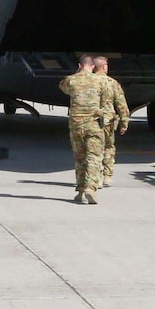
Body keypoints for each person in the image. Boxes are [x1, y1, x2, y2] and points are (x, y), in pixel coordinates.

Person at [59, 54, 108, 204]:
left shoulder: (71, 80)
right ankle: (90, 188)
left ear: (79, 65)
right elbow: (105, 102)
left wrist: (77, 75)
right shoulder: (99, 81)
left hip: (76, 124)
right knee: (94, 156)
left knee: (80, 158)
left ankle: (80, 190)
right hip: (93, 124)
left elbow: (63, 87)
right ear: (93, 67)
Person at [92, 56, 129, 187]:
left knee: (93, 149)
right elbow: (121, 104)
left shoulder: (89, 81)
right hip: (108, 120)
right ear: (104, 67)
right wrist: (124, 122)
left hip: (91, 120)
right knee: (108, 147)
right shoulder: (112, 82)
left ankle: (95, 177)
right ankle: (107, 176)